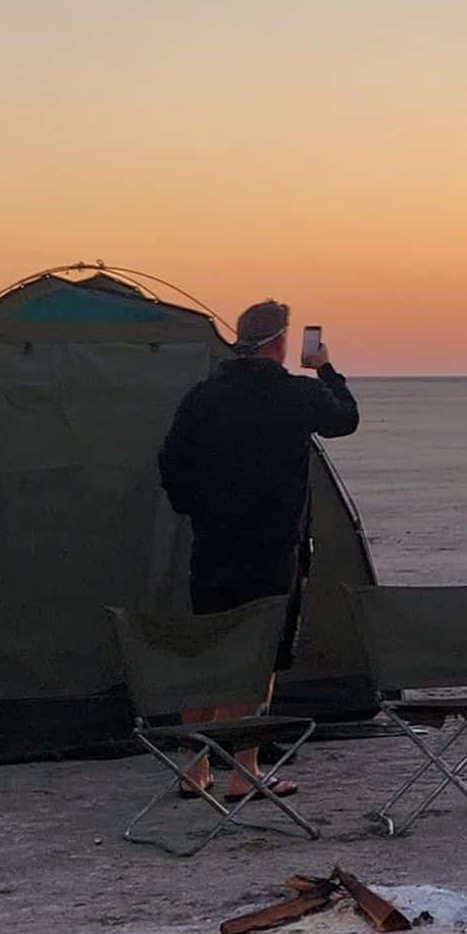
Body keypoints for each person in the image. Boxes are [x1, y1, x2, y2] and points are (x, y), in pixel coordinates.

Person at [155, 300, 359, 798]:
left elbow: (171, 463)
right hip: (271, 550)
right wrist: (326, 367)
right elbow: (346, 419)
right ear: (281, 342)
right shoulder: (295, 393)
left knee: (210, 650)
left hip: (213, 547)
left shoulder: (203, 398)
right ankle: (243, 772)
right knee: (256, 659)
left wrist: (194, 508)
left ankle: (194, 768)